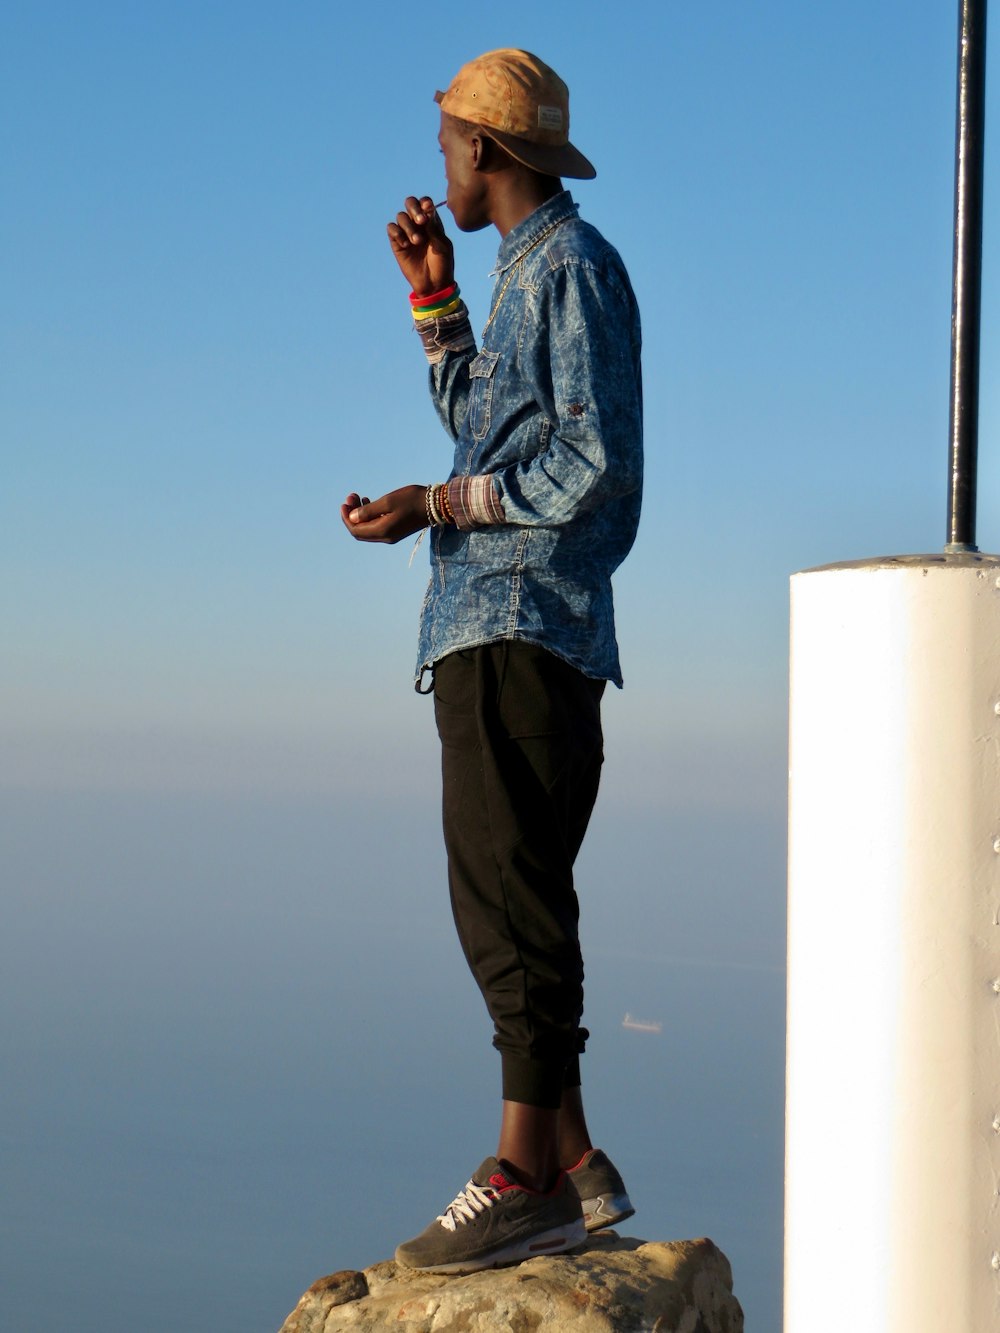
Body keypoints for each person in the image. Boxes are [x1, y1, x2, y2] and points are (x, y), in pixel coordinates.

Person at [341, 48, 643, 1274]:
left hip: (526, 624)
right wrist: (433, 301)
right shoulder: (526, 271)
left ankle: (522, 1173)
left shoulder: (572, 267)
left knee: (506, 899)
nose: (441, 172)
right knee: (508, 889)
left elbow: (587, 466)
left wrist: (439, 503)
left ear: (485, 151)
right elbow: (494, 418)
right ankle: (574, 1162)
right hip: (496, 626)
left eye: (448, 149)